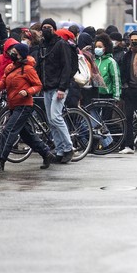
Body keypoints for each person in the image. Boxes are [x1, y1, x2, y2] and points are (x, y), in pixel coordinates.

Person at [0, 42, 53, 173]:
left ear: (22, 54)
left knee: (8, 131)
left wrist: (28, 91)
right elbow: (3, 82)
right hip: (13, 105)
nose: (13, 54)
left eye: (16, 52)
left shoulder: (28, 69)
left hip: (24, 105)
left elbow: (38, 85)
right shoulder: (10, 67)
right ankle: (46, 153)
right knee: (27, 136)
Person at [38, 18, 77, 164]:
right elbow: (40, 66)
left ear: (54, 29)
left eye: (49, 27)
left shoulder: (61, 44)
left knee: (55, 117)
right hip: (47, 87)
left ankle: (69, 148)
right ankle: (60, 151)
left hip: (59, 88)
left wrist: (62, 88)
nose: (46, 29)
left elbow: (66, 67)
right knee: (51, 121)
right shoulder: (43, 45)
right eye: (44, 27)